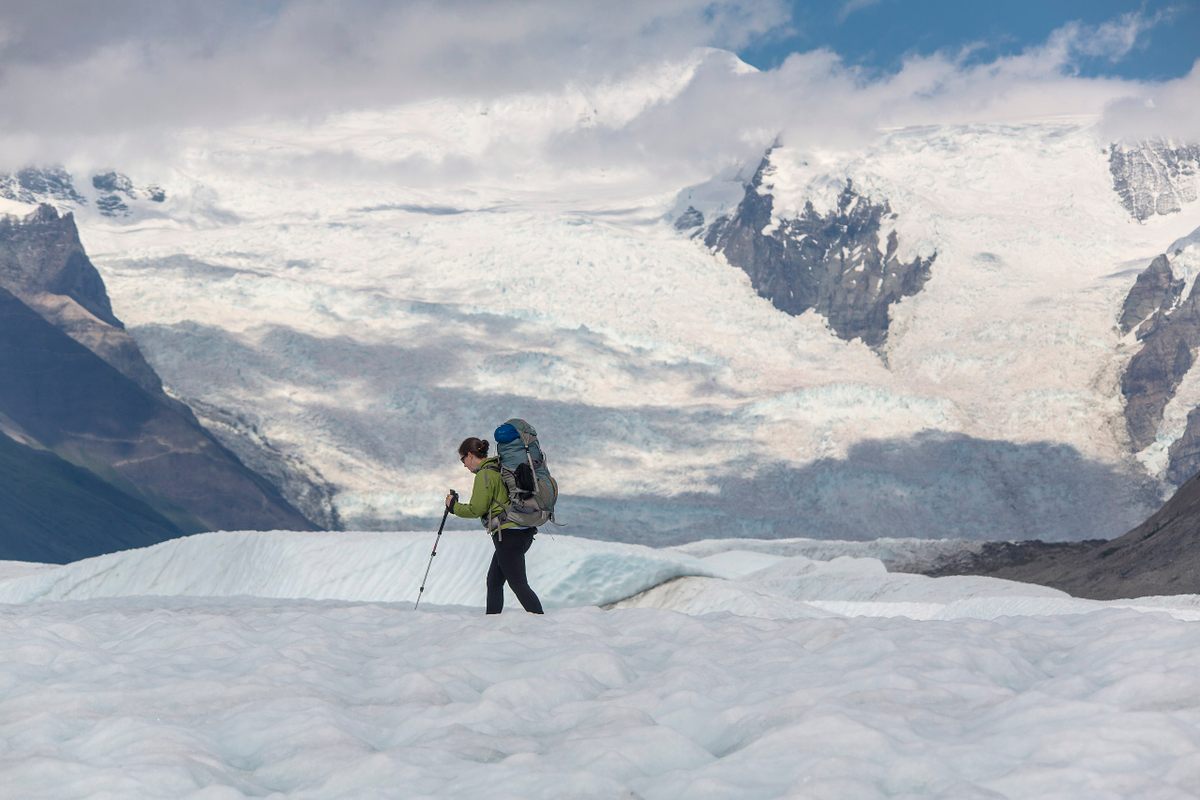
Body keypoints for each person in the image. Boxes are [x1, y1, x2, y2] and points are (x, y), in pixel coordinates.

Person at [446, 437, 544, 615]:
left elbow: (477, 509)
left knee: (518, 584)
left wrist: (453, 507)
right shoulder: (499, 467)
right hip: (522, 531)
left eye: (463, 460)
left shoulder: (485, 474)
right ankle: (491, 623)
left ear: (470, 455)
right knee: (494, 581)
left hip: (508, 535)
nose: (464, 465)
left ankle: (543, 624)